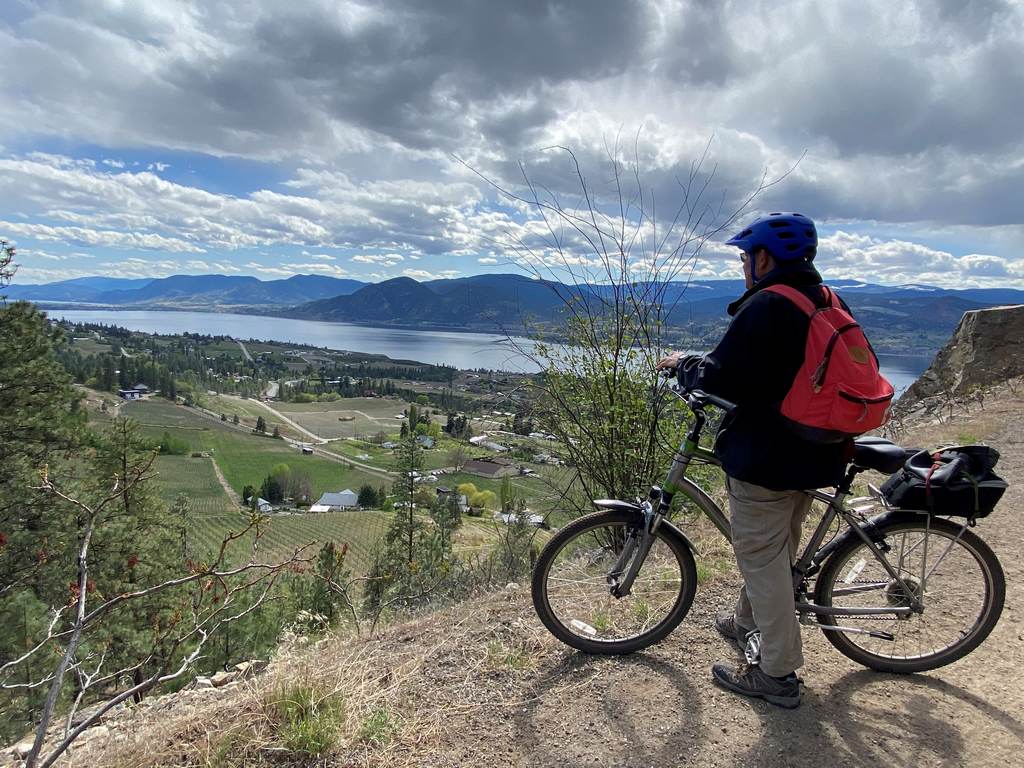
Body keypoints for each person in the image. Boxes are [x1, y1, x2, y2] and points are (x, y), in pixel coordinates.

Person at [657, 212, 852, 709]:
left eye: (746, 257)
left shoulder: (768, 305)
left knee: (761, 558)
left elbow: (722, 378)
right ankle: (748, 623)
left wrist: (685, 366)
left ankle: (776, 675)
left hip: (771, 459)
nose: (743, 266)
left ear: (764, 258)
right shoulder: (825, 299)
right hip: (817, 452)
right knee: (774, 551)